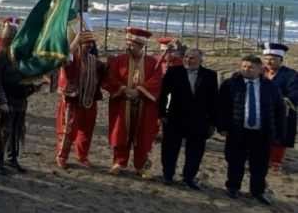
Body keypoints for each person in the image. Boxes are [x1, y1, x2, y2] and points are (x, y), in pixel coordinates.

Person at [218, 55, 285, 205]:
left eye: (250, 67)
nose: (246, 70)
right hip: (237, 131)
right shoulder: (231, 84)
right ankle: (233, 187)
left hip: (262, 133)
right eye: (244, 66)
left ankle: (258, 192)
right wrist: (221, 127)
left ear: (260, 69)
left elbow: (279, 112)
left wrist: (279, 134)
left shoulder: (270, 87)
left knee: (259, 165)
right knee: (235, 161)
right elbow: (221, 107)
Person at [101, 27, 163, 178]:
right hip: (123, 102)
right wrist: (123, 89)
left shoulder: (152, 62)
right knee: (121, 132)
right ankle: (118, 163)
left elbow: (157, 81)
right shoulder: (118, 60)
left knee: (143, 134)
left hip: (144, 104)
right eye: (127, 43)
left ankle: (140, 166)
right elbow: (111, 77)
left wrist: (139, 90)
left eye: (132, 44)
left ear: (141, 46)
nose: (128, 47)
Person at [158, 48, 218, 189]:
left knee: (195, 150)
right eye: (186, 57)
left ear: (200, 61)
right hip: (175, 116)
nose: (187, 60)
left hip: (199, 119)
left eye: (192, 58)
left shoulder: (210, 75)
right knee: (170, 148)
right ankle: (168, 174)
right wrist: (162, 114)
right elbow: (163, 93)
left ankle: (189, 176)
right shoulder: (174, 72)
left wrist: (212, 121)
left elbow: (214, 99)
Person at [55, 30, 105, 169]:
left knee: (87, 129)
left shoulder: (93, 60)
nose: (88, 47)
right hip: (73, 100)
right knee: (68, 130)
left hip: (88, 99)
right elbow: (63, 58)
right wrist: (75, 41)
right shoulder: (72, 58)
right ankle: (61, 155)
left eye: (90, 45)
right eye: (85, 44)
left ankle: (82, 155)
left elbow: (104, 70)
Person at [0, 20, 35, 174]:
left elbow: (22, 76)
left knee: (18, 129)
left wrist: (30, 86)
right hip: (7, 100)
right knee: (4, 129)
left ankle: (12, 157)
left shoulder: (18, 57)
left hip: (20, 99)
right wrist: (1, 102)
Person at [263, 42, 298, 171]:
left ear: (281, 60)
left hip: (283, 112)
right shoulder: (260, 72)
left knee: (280, 137)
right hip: (263, 110)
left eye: (272, 59)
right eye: (266, 59)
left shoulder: (291, 74)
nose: (269, 62)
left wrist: (281, 101)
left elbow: (295, 92)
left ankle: (276, 161)